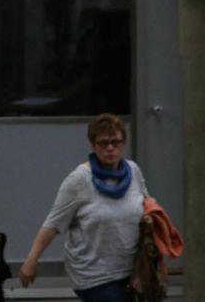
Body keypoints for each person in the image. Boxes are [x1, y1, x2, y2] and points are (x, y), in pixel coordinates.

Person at [19, 113, 152, 300]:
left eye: (116, 142)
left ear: (124, 142)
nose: (111, 148)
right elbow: (52, 224)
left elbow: (147, 204)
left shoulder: (134, 171)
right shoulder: (79, 180)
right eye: (103, 143)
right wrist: (31, 261)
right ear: (93, 145)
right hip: (94, 275)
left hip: (132, 270)